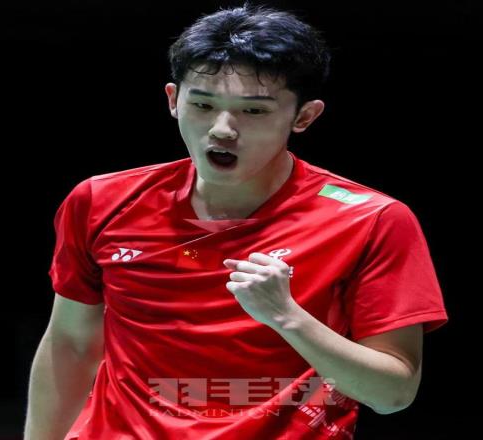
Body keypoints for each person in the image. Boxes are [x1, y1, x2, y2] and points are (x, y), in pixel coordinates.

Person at [24, 3, 448, 439]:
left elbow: (392, 393)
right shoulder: (102, 202)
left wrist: (287, 317)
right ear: (173, 100)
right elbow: (71, 347)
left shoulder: (371, 220)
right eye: (203, 104)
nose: (222, 129)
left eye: (254, 111)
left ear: (305, 116)